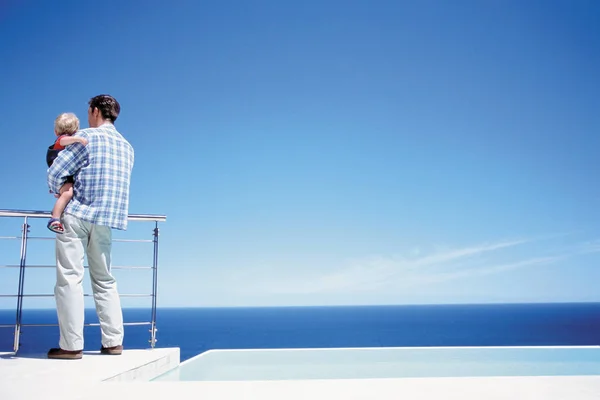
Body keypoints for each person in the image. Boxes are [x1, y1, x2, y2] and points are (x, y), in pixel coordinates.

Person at [46, 94, 135, 360]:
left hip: (78, 214)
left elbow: (56, 171)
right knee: (105, 280)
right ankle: (113, 342)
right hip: (106, 220)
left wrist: (59, 189)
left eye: (88, 110)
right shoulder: (127, 147)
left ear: (95, 111)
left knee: (70, 280)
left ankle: (71, 346)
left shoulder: (86, 137)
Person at [46, 112, 88, 234]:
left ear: (55, 130)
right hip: (61, 175)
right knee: (68, 194)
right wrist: (77, 138)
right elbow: (63, 140)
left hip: (63, 176)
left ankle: (57, 210)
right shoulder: (62, 140)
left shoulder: (63, 141)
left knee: (66, 194)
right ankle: (54, 218)